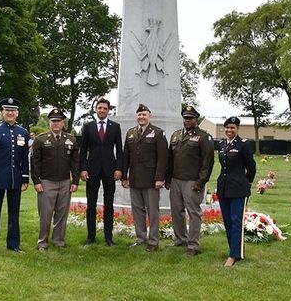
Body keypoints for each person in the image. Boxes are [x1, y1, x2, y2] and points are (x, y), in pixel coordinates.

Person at [0, 98, 30, 257]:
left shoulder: (23, 132)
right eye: (7, 110)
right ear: (3, 112)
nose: (10, 113)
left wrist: (24, 178)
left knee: (14, 214)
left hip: (15, 180)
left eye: (13, 111)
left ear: (17, 113)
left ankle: (13, 244)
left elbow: (24, 158)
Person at [166, 105, 214, 256]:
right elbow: (170, 160)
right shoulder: (175, 135)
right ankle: (181, 239)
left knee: (193, 213)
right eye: (185, 118)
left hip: (192, 181)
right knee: (176, 211)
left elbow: (208, 163)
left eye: (190, 118)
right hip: (175, 180)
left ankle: (193, 245)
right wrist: (168, 179)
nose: (187, 121)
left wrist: (201, 182)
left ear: (196, 119)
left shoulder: (204, 137)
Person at [31, 108, 79, 251]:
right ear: (49, 122)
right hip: (46, 182)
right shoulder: (40, 139)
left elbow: (75, 162)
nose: (56, 124)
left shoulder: (71, 139)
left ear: (63, 123)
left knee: (61, 213)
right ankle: (42, 242)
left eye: (59, 121)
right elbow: (34, 162)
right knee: (45, 214)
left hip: (65, 181)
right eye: (53, 121)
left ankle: (58, 240)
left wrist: (75, 181)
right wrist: (36, 181)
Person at [122, 104, 168, 252]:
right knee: (137, 210)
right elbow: (125, 157)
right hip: (135, 179)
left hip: (151, 180)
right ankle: (141, 237)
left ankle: (153, 241)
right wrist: (124, 176)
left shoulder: (158, 133)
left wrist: (160, 178)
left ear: (150, 116)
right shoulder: (130, 133)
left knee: (152, 211)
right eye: (139, 115)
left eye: (144, 114)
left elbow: (163, 158)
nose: (141, 117)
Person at [80, 97, 123, 246]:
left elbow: (119, 150)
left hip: (110, 170)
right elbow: (83, 149)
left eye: (105, 108)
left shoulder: (115, 127)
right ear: (96, 109)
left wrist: (119, 168)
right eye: (100, 108)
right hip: (92, 170)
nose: (102, 110)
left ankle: (108, 237)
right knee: (91, 205)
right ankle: (90, 236)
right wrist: (83, 169)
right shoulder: (88, 127)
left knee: (109, 205)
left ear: (108, 110)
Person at [216, 116, 256, 267]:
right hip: (224, 188)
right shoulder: (221, 144)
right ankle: (233, 250)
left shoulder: (243, 145)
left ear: (237, 129)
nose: (229, 130)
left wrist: (247, 182)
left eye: (232, 127)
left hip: (239, 189)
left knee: (236, 221)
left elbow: (251, 166)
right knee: (227, 221)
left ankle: (234, 255)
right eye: (227, 127)